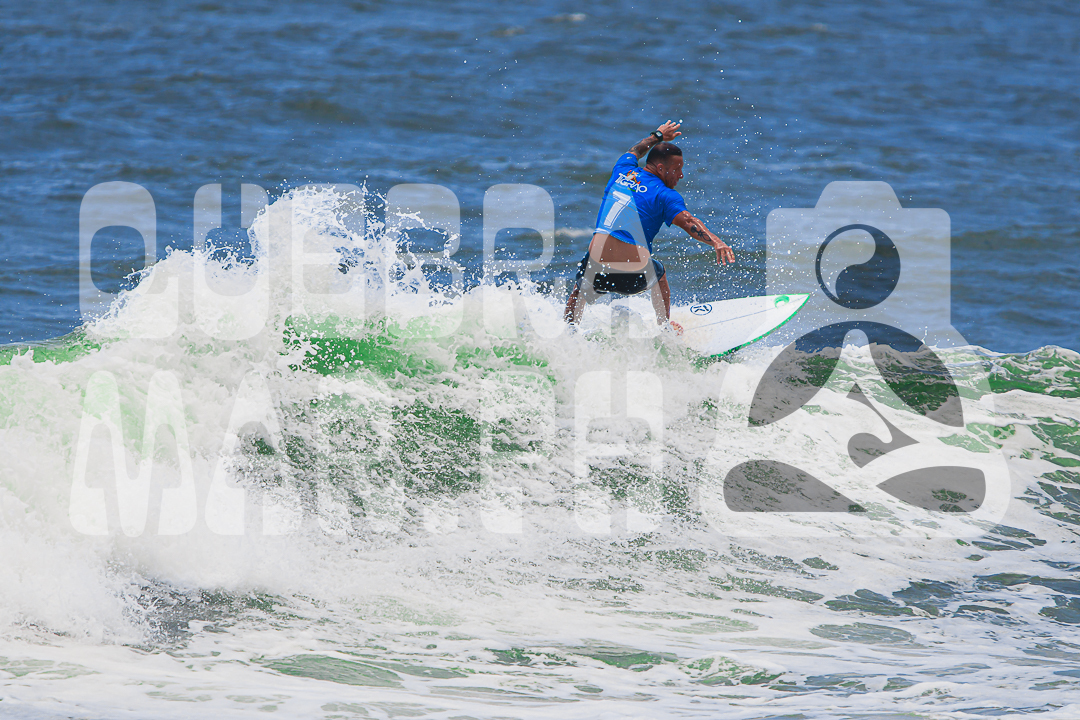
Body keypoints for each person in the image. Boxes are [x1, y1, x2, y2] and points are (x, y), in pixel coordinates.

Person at [563, 120, 735, 329]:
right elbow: (689, 222)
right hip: (630, 277)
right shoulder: (665, 195)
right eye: (677, 169)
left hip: (597, 271)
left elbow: (635, 150)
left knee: (582, 282)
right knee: (658, 273)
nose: (681, 175)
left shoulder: (622, 170)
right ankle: (664, 328)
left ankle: (568, 329)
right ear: (661, 168)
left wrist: (657, 136)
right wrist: (716, 241)